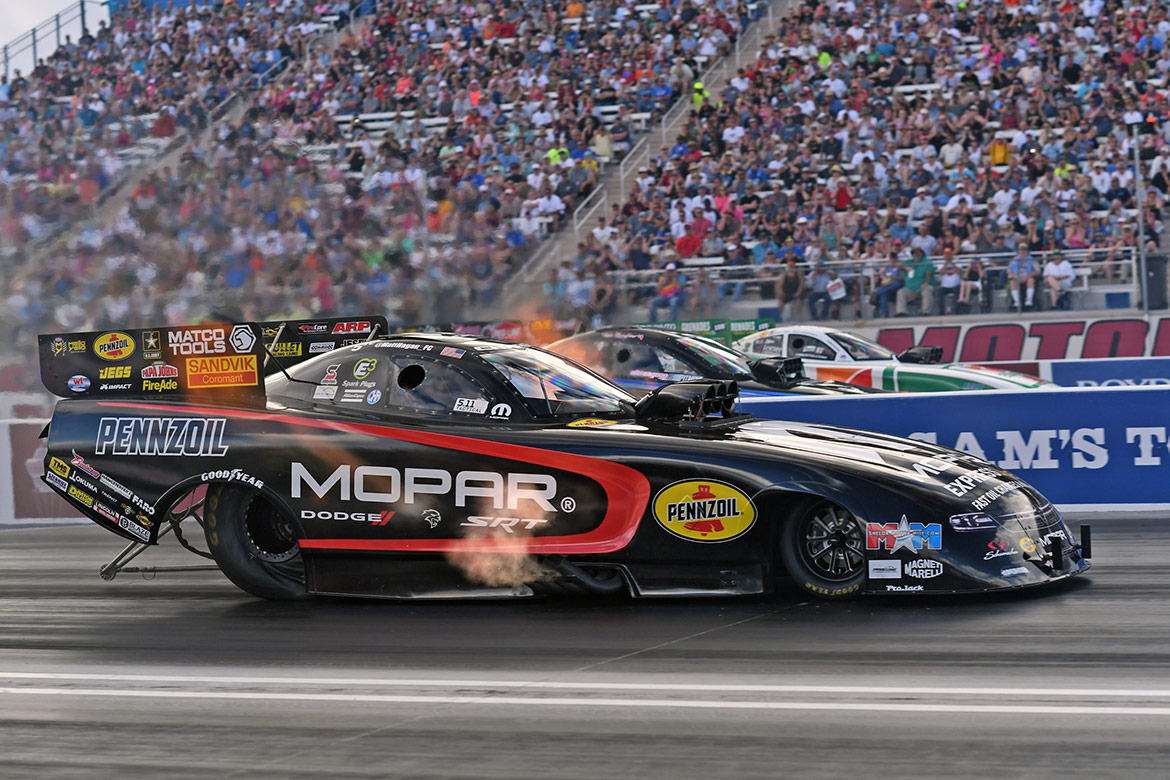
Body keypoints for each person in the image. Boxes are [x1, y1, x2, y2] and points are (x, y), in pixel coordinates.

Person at [895, 247, 936, 317]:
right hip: (912, 288)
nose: (916, 254)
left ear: (921, 253)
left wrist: (926, 283)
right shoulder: (909, 262)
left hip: (924, 286)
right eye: (914, 253)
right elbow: (897, 264)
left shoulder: (926, 261)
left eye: (918, 252)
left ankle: (926, 312)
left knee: (927, 289)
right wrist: (905, 267)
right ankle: (901, 312)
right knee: (901, 292)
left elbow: (928, 272)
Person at [1008, 247, 1040, 312]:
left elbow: (1037, 271)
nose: (1023, 252)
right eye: (1021, 250)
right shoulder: (1014, 260)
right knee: (1012, 282)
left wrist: (1028, 276)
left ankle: (1029, 301)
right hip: (1017, 277)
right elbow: (1009, 271)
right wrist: (1015, 277)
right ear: (1018, 251)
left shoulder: (1032, 259)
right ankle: (1017, 302)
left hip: (1028, 276)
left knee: (1031, 280)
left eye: (1024, 250)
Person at [872, 253, 904, 318]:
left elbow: (902, 278)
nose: (892, 259)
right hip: (888, 284)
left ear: (896, 258)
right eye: (891, 258)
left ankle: (878, 291)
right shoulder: (887, 266)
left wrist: (894, 277)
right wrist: (884, 278)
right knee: (884, 294)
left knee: (895, 284)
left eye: (894, 258)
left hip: (897, 283)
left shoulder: (899, 266)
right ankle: (885, 313)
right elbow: (880, 273)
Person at [776, 257, 805, 321]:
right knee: (781, 302)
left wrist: (798, 292)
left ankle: (798, 316)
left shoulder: (798, 273)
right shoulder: (784, 274)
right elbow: (779, 285)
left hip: (795, 292)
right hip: (786, 292)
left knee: (798, 301)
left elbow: (801, 284)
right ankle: (779, 316)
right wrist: (781, 293)